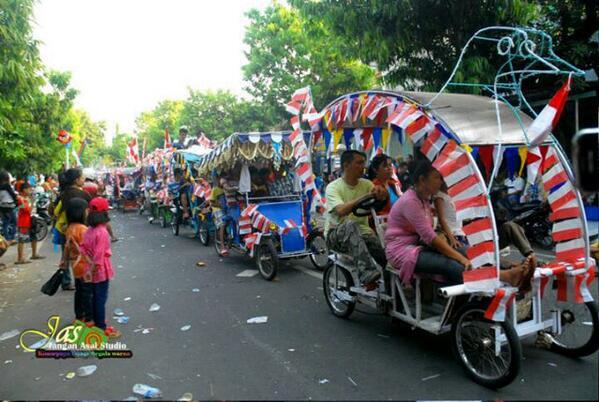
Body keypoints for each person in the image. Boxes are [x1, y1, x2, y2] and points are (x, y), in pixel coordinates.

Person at [385, 161, 534, 290]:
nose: (441, 181)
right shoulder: (411, 201)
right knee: (451, 264)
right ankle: (505, 276)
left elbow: (432, 230)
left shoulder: (425, 199)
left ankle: (510, 269)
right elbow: (430, 237)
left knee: (469, 252)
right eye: (437, 177)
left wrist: (445, 237)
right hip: (402, 251)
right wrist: (459, 257)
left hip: (420, 246)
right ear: (422, 180)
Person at [325, 150, 388, 285]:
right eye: (359, 163)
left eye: (364, 163)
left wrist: (381, 194)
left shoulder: (367, 184)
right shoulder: (333, 187)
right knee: (350, 225)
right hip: (336, 235)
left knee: (385, 256)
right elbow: (341, 210)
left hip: (363, 233)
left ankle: (392, 290)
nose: (363, 167)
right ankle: (367, 274)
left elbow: (378, 201)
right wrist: (364, 197)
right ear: (346, 165)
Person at [80, 197, 120, 338]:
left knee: (94, 297)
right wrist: (94, 269)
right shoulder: (102, 232)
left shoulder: (89, 230)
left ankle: (98, 323)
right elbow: (99, 255)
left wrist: (89, 267)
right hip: (99, 270)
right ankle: (101, 328)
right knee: (100, 298)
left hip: (89, 268)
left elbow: (83, 249)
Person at [63, 198, 92, 324]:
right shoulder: (83, 229)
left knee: (79, 291)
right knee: (87, 292)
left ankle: (79, 316)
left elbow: (67, 247)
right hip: (85, 265)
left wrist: (64, 260)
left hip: (75, 265)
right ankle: (89, 318)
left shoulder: (69, 228)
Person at [15, 182, 44, 264]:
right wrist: (32, 201)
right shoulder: (21, 199)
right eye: (29, 189)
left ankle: (34, 254)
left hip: (30, 219)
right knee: (22, 240)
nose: (30, 190)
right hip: (23, 221)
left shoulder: (26, 198)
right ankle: (20, 258)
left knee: (34, 237)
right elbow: (28, 210)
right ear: (24, 190)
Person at [433, 179, 467, 248]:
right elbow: (441, 219)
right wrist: (452, 239)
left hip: (460, 233)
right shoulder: (440, 196)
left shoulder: (452, 196)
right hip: (451, 234)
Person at [210, 175, 229, 257]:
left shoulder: (228, 188)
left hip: (228, 208)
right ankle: (222, 246)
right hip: (217, 209)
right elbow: (211, 203)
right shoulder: (215, 190)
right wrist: (219, 205)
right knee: (222, 223)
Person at [0, 171, 18, 246]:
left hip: (2, 207)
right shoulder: (7, 186)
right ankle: (11, 238)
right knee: (14, 222)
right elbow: (13, 194)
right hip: (9, 207)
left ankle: (7, 239)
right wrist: (16, 199)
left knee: (5, 223)